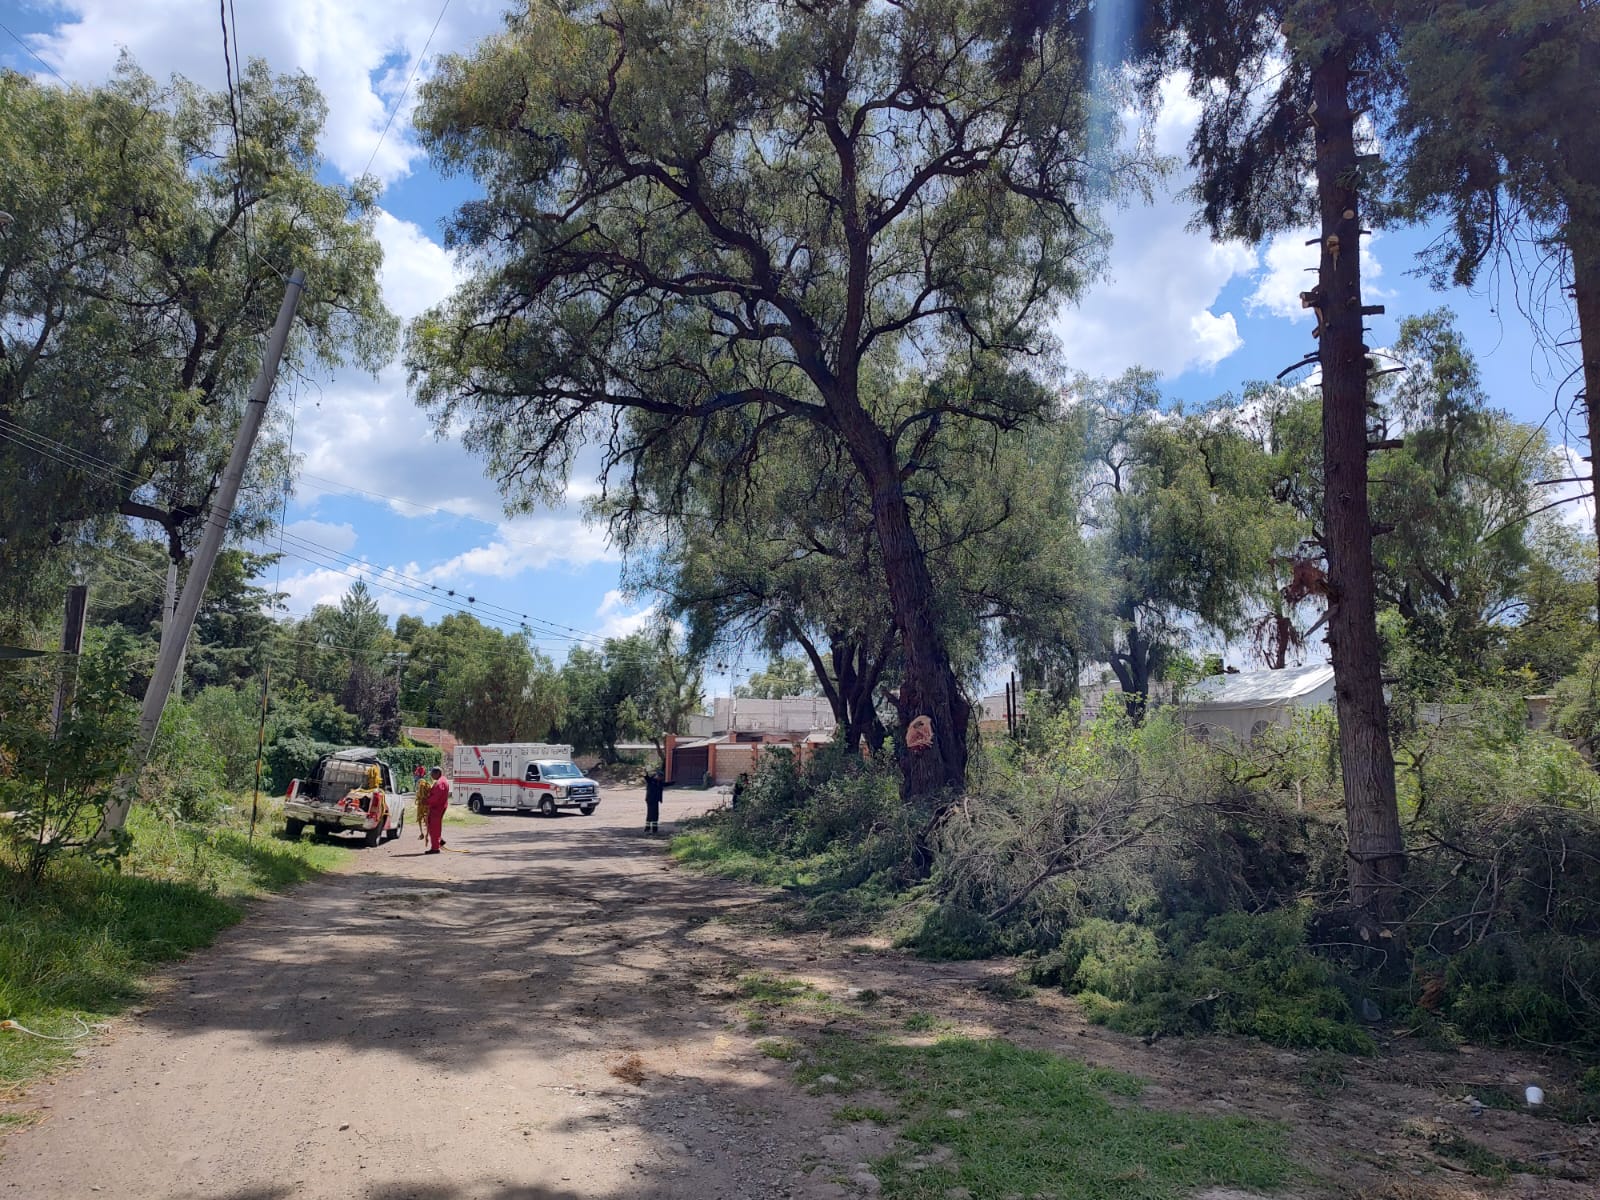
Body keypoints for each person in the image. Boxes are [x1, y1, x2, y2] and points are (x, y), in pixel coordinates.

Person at [424, 766, 451, 854]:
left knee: (434, 827)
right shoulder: (442, 781)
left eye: (432, 774)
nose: (431, 776)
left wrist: (426, 801)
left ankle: (435, 848)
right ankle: (439, 840)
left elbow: (435, 797)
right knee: (434, 825)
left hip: (437, 808)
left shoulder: (440, 783)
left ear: (437, 773)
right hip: (439, 807)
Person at [413, 767, 432, 843]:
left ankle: (424, 833)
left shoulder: (424, 787)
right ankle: (426, 834)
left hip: (423, 805)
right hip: (425, 805)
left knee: (421, 818)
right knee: (425, 819)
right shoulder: (428, 787)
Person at [643, 770, 664, 835]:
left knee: (655, 814)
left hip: (656, 800)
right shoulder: (650, 780)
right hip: (650, 800)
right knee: (650, 814)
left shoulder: (659, 782)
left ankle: (654, 829)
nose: (661, 778)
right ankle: (648, 829)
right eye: (660, 777)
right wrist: (645, 774)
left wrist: (673, 783)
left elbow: (665, 784)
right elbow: (646, 778)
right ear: (657, 776)